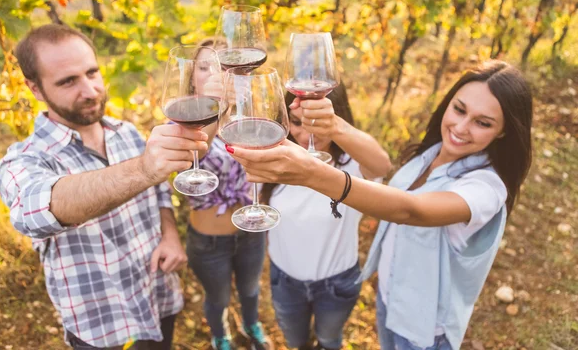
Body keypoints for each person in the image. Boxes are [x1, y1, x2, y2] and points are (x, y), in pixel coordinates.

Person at [226, 60, 533, 350]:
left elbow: (410, 210)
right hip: (389, 300)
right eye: (459, 109)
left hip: (424, 327)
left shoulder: (487, 188)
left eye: (483, 122)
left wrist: (312, 173)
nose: (462, 127)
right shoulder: (430, 154)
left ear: (504, 131)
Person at [0, 24, 209, 350]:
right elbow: (34, 210)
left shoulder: (126, 132)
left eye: (92, 73)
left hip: (156, 293)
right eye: (68, 81)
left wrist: (170, 233)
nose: (91, 90)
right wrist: (144, 168)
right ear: (35, 89)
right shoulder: (21, 161)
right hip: (100, 322)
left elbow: (157, 191)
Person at [259, 85, 391, 350]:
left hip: (336, 283)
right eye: (296, 122)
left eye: (317, 123)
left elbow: (382, 165)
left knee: (329, 340)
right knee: (296, 341)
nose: (306, 134)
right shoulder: (275, 161)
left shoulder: (351, 164)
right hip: (285, 281)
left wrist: (335, 127)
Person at [182, 39, 273, 350]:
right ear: (192, 76)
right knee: (218, 296)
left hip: (251, 232)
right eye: (206, 67)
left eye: (224, 68)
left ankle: (251, 325)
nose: (216, 75)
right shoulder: (184, 118)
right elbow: (191, 152)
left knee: (250, 290)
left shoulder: (251, 113)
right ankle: (220, 334)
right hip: (209, 241)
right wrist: (213, 105)